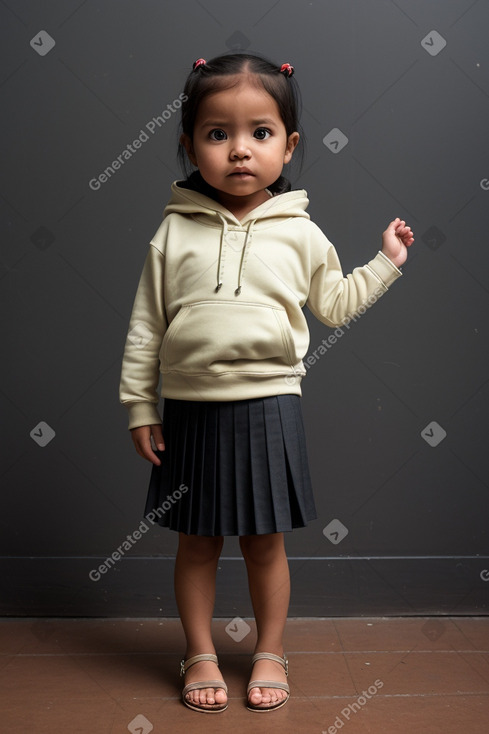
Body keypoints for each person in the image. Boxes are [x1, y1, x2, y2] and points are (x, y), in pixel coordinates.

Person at [119, 52, 414, 714]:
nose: (239, 150)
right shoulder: (172, 232)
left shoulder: (300, 232)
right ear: (189, 143)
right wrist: (141, 405)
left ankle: (269, 649)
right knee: (196, 540)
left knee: (264, 541)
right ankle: (198, 651)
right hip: (190, 408)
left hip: (270, 406)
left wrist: (386, 264)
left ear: (289, 144)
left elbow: (333, 304)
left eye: (260, 132)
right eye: (217, 133)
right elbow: (145, 327)